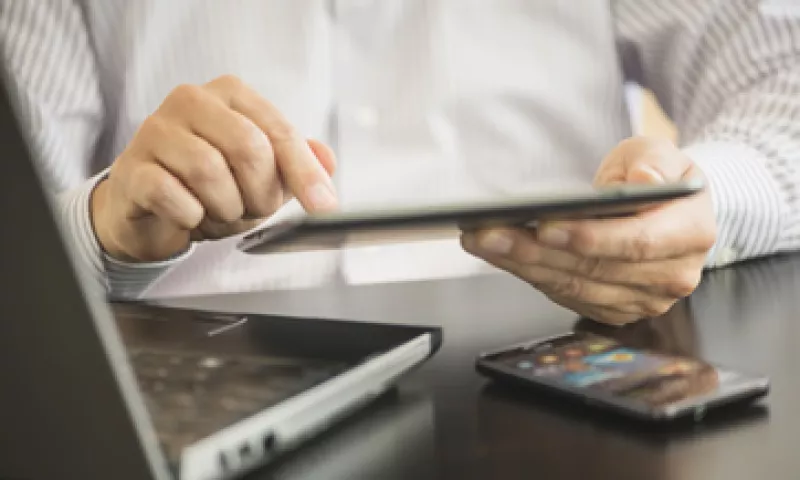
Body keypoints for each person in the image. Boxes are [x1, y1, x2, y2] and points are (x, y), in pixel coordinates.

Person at [1, 1, 798, 325]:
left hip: (563, 375)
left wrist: (700, 201)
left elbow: (783, 84)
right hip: (190, 386)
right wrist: (104, 229)